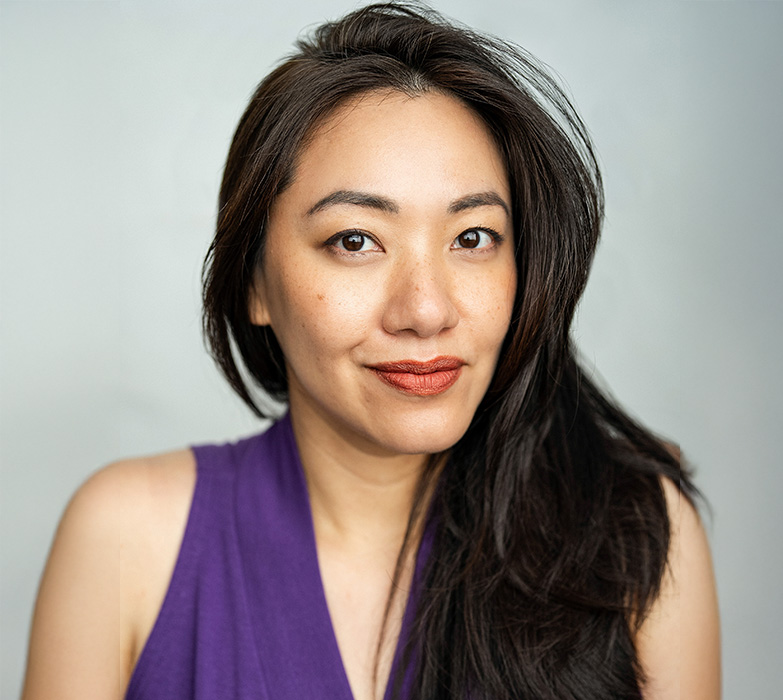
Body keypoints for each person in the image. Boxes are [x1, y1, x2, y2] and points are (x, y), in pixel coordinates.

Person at [21, 3, 720, 699]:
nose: (425, 310)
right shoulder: (125, 540)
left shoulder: (636, 537)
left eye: (473, 237)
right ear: (255, 283)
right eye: (355, 240)